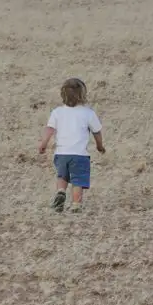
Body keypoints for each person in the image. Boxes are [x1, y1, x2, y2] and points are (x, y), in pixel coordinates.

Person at [37, 77, 105, 213]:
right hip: (80, 155)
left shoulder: (57, 112)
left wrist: (43, 143)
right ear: (82, 95)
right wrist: (99, 146)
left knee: (62, 176)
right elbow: (96, 131)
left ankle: (61, 191)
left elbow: (49, 129)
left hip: (61, 153)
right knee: (78, 180)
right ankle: (76, 204)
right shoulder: (88, 113)